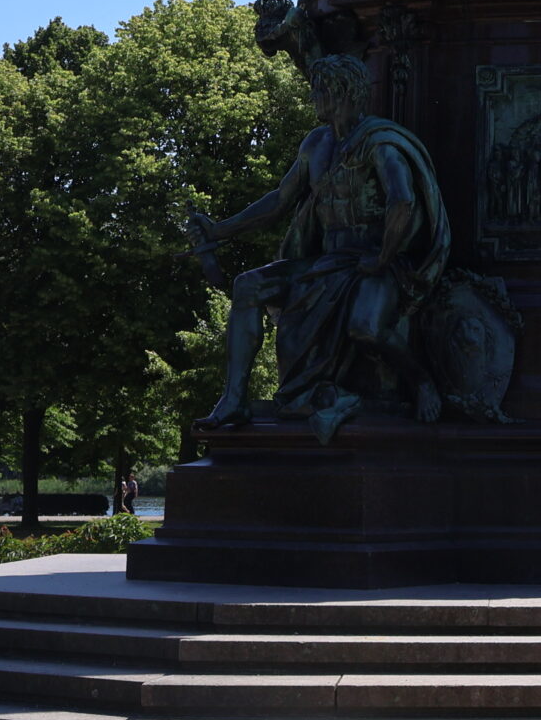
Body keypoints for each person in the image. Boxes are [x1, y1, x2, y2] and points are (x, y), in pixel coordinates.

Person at [186, 54, 452, 443]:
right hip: (326, 263)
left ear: (340, 91)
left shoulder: (379, 142)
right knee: (247, 286)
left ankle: (421, 380)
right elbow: (280, 199)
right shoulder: (316, 144)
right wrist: (219, 229)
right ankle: (233, 399)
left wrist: (382, 257)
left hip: (374, 264)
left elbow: (403, 200)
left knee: (367, 327)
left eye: (318, 89)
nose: (311, 97)